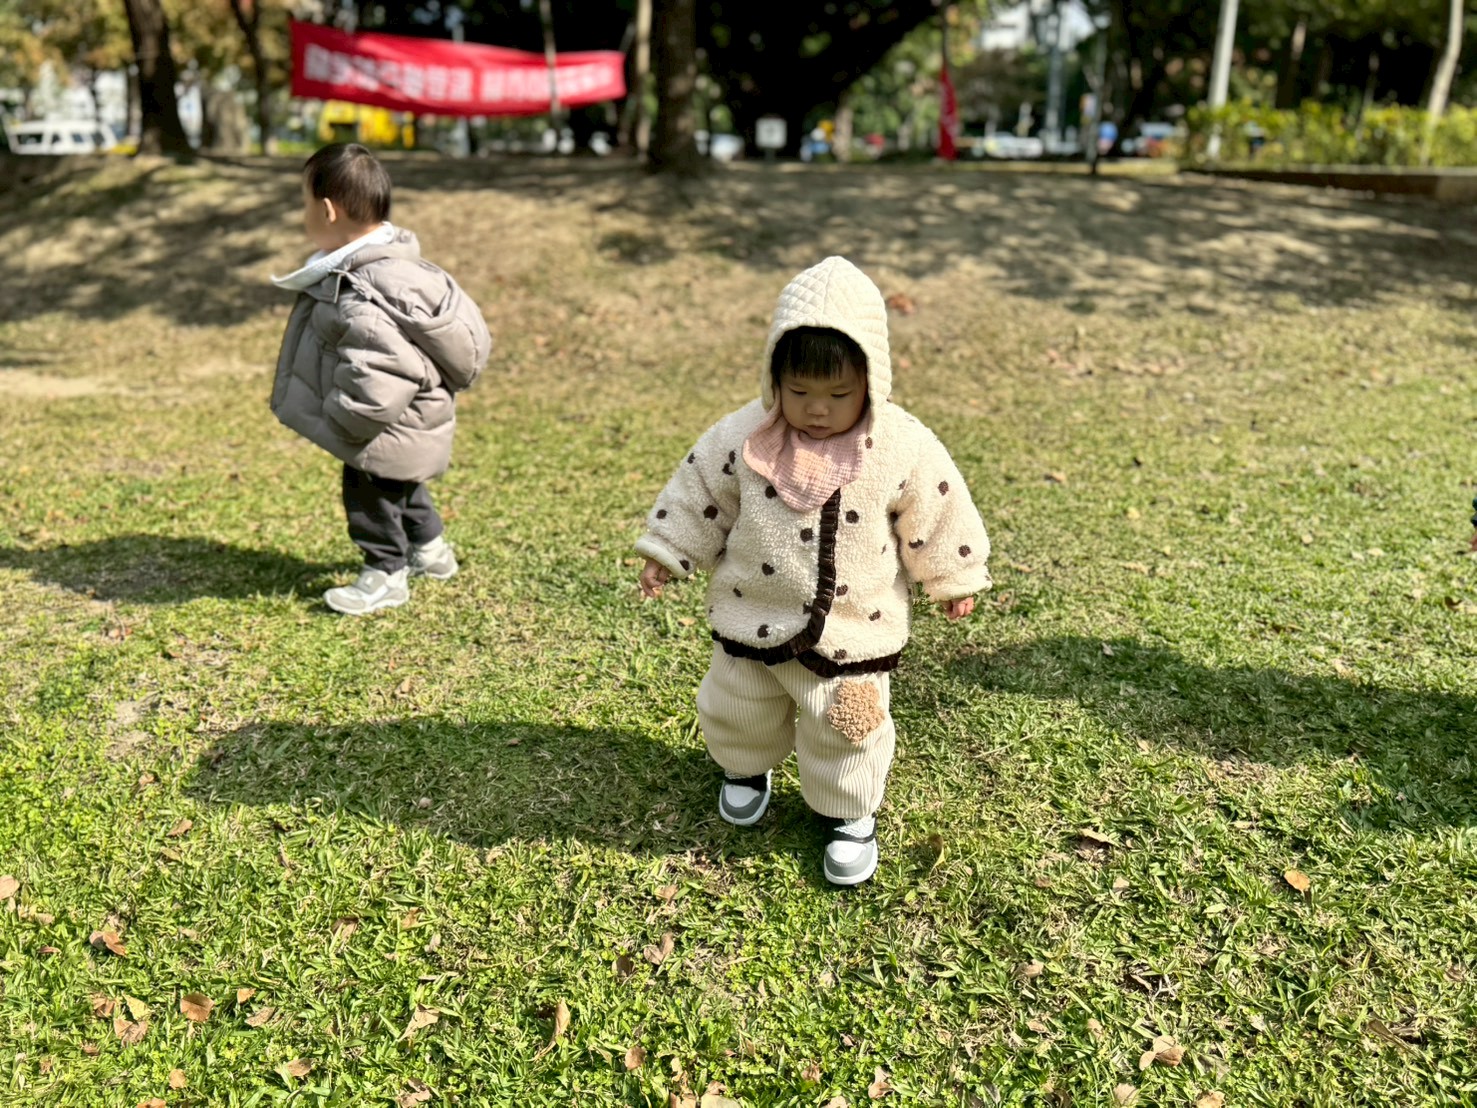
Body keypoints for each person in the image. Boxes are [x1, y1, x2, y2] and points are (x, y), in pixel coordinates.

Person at [636, 256, 992, 885]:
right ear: (774, 377)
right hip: (752, 610)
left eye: (838, 395)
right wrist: (668, 549)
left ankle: (850, 812)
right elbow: (700, 492)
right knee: (737, 704)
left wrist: (951, 576)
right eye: (799, 393)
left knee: (846, 728)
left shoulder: (901, 443)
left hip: (853, 629)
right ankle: (746, 766)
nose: (818, 410)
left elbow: (938, 506)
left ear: (871, 380)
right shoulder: (742, 435)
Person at [270, 143, 491, 614]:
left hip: (382, 425)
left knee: (369, 498)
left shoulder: (361, 292)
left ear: (327, 210)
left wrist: (344, 418)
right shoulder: (396, 269)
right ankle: (433, 554)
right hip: (410, 421)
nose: (303, 216)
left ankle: (385, 575)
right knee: (402, 487)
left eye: (304, 204)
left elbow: (383, 372)